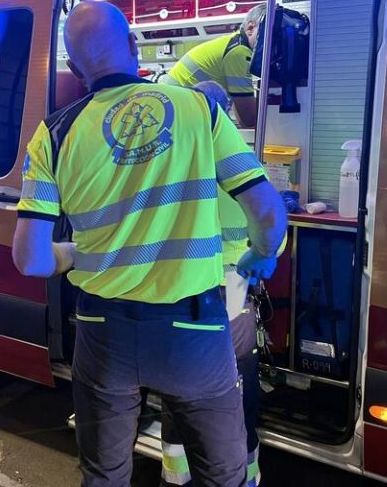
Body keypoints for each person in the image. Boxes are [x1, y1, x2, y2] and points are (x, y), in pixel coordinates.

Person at [12, 1, 286, 487]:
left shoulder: (52, 134)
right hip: (193, 333)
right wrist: (260, 254)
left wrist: (73, 254)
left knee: (104, 474)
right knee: (223, 474)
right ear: (133, 45)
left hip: (103, 332)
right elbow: (266, 213)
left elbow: (30, 259)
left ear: (74, 66)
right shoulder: (200, 109)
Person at [159, 81, 287, 487]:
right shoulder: (241, 167)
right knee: (237, 391)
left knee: (178, 393)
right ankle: (244, 476)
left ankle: (177, 478)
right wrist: (258, 256)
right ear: (226, 115)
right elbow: (274, 231)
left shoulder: (168, 167)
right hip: (231, 293)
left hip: (176, 294)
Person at [160, 4, 266, 128]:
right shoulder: (239, 53)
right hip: (176, 111)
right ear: (250, 27)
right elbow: (249, 119)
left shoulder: (233, 44)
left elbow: (244, 117)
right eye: (268, 34)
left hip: (170, 107)